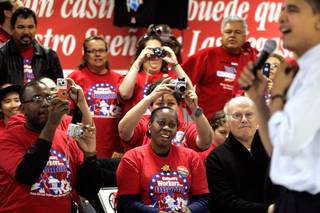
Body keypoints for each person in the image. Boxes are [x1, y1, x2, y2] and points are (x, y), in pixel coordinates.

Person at [238, 0, 320, 212]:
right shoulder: (304, 70)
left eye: (292, 10)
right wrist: (258, 100)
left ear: (318, 21)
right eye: (282, 9)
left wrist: (277, 96)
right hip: (293, 198)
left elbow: (286, 142)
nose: (281, 17)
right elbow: (278, 151)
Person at [117, 106, 209, 213]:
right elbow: (127, 203)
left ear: (176, 130)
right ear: (150, 126)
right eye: (161, 123)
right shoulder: (132, 158)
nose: (166, 128)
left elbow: (203, 199)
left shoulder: (192, 157)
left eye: (172, 125)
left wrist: (190, 210)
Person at [206, 96, 276, 213]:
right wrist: (268, 209)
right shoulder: (216, 158)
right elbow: (227, 202)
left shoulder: (270, 148)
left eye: (249, 114)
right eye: (237, 115)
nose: (244, 120)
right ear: (228, 122)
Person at [182, 15, 258, 120]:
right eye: (228, 32)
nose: (232, 35)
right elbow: (180, 81)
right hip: (205, 122)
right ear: (222, 34)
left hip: (239, 123)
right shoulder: (206, 55)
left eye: (237, 32)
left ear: (245, 36)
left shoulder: (251, 60)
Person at [118, 78, 213, 152]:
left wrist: (194, 108)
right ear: (150, 106)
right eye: (159, 103)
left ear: (179, 105)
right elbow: (123, 131)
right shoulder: (143, 123)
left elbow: (206, 142)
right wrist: (149, 98)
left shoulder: (186, 127)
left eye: (171, 103)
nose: (165, 107)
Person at [68, 35, 124, 158]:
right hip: (84, 145)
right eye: (92, 51)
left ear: (107, 52)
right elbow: (67, 115)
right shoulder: (75, 77)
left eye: (101, 50)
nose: (97, 54)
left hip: (114, 146)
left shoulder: (120, 78)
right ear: (85, 54)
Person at [119, 33, 192, 116]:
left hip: (170, 125)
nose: (155, 54)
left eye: (158, 50)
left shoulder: (171, 76)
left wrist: (175, 64)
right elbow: (125, 94)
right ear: (141, 53)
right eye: (150, 50)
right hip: (141, 126)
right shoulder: (132, 77)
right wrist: (138, 61)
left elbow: (190, 91)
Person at [0, 7, 63, 86]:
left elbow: (61, 86)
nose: (26, 32)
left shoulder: (50, 55)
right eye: (21, 27)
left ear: (36, 28)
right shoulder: (1, 55)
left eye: (30, 27)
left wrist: (62, 96)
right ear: (12, 29)